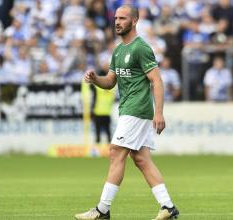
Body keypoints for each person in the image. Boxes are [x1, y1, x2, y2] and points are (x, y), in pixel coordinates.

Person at [75, 4, 179, 220]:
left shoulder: (141, 47)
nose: (117, 22)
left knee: (115, 152)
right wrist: (96, 79)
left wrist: (159, 113)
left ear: (134, 21)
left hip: (137, 108)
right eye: (115, 18)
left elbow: (157, 81)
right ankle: (168, 207)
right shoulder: (118, 50)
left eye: (122, 18)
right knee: (141, 159)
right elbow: (110, 82)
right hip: (128, 109)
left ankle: (102, 209)